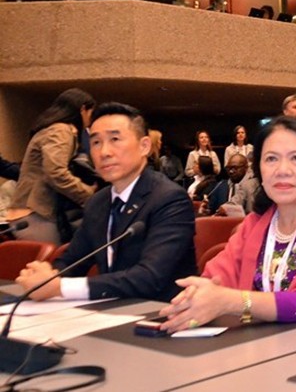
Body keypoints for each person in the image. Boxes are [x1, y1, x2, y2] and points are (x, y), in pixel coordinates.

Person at [158, 116, 296, 332]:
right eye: (271, 159)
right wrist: (198, 294)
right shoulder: (255, 223)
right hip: (262, 349)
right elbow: (218, 277)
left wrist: (233, 302)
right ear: (259, 169)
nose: (282, 170)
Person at [15, 102, 196, 302]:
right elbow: (72, 260)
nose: (104, 152)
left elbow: (149, 278)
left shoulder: (170, 199)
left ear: (144, 146)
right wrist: (46, 276)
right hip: (111, 310)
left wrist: (60, 287)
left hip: (161, 313)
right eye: (96, 142)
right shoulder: (98, 202)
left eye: (115, 139)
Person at [7, 88, 97, 245]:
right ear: (82, 109)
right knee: (50, 265)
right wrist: (88, 194)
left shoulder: (51, 129)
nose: (91, 119)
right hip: (35, 214)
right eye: (91, 113)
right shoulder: (60, 130)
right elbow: (55, 172)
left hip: (30, 213)